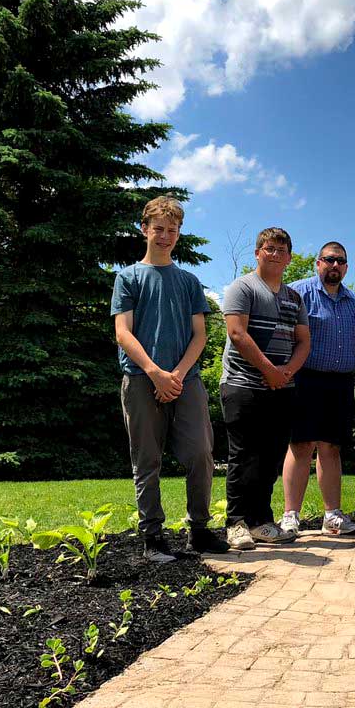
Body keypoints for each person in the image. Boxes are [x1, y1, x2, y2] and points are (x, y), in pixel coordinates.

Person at [112, 196, 227, 560]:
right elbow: (123, 333)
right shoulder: (128, 277)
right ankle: (153, 538)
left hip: (186, 380)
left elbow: (200, 335)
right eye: (158, 229)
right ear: (144, 229)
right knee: (147, 460)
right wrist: (155, 373)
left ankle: (200, 531)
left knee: (200, 453)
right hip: (141, 377)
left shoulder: (189, 282)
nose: (165, 236)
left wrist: (175, 375)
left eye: (172, 230)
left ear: (179, 234)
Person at [220, 227, 311, 550]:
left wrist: (285, 372)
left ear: (289, 258)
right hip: (242, 385)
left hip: (282, 389)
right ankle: (236, 523)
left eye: (281, 250)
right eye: (269, 248)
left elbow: (303, 341)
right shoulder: (242, 288)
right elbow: (237, 334)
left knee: (271, 457)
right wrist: (269, 371)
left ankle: (260, 521)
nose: (274, 254)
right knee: (243, 456)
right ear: (257, 252)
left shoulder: (293, 297)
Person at [281, 242, 355, 536]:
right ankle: (290, 515)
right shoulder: (297, 292)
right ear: (318, 263)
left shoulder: (353, 302)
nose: (335, 265)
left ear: (346, 266)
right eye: (329, 260)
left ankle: (332, 515)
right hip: (305, 379)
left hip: (340, 383)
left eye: (341, 261)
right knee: (300, 446)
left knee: (331, 447)